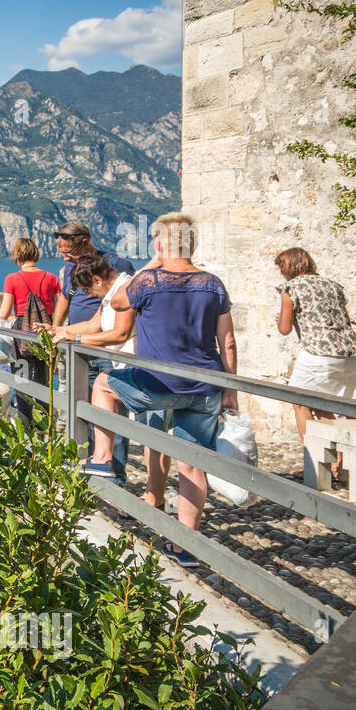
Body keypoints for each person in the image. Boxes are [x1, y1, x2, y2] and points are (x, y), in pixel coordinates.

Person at [85, 213, 238, 569]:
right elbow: (227, 342)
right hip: (205, 387)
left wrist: (153, 263)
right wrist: (231, 390)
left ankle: (103, 458)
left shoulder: (148, 281)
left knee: (104, 385)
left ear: (158, 245)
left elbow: (118, 301)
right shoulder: (212, 284)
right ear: (193, 245)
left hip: (159, 384)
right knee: (191, 463)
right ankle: (185, 546)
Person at [49, 253, 136, 479]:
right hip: (118, 364)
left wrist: (75, 340)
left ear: (97, 279)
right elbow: (93, 324)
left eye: (88, 291)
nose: (88, 296)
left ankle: (117, 478)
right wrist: (60, 331)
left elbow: (119, 334)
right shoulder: (109, 295)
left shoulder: (124, 291)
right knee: (100, 414)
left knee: (119, 422)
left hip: (131, 366)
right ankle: (102, 465)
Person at [275, 248, 356, 455]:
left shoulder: (290, 287)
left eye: (282, 267)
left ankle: (314, 461)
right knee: (323, 405)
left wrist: (280, 319)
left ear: (289, 267)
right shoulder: (333, 285)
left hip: (319, 353)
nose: (281, 272)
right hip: (351, 353)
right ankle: (337, 463)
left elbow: (284, 329)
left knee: (299, 402)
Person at [0, 238, 66, 426]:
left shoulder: (12, 279)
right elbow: (58, 306)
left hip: (22, 332)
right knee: (43, 381)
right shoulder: (51, 277)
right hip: (45, 330)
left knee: (21, 381)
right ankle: (44, 428)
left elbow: (4, 313)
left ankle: (25, 430)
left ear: (17, 255)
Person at [51, 222, 136, 329]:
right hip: (73, 334)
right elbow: (64, 298)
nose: (66, 259)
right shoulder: (70, 266)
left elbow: (132, 300)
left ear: (85, 243)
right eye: (62, 254)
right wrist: (55, 329)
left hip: (104, 336)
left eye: (69, 253)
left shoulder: (117, 264)